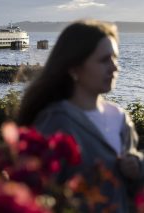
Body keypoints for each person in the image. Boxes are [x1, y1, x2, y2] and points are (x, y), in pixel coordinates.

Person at [17, 19, 144, 212]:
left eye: (115, 58)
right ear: (74, 67)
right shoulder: (56, 121)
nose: (115, 67)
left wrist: (137, 167)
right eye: (104, 60)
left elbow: (132, 191)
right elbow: (36, 194)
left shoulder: (120, 118)